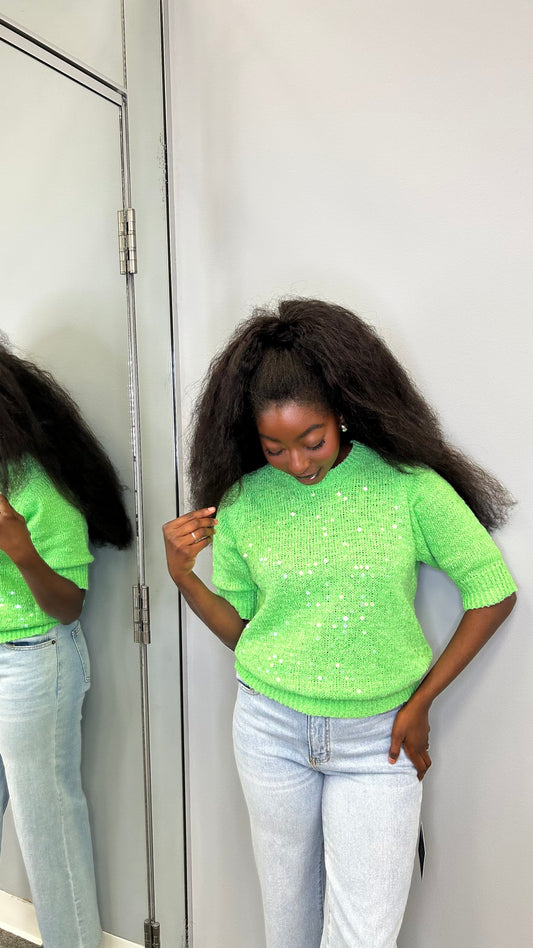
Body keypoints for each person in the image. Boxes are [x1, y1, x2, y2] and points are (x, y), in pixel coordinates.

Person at [163, 298, 516, 948]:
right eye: (274, 447)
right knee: (287, 925)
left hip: (378, 743)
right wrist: (183, 576)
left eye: (312, 440)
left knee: (360, 937)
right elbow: (245, 630)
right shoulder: (242, 500)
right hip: (268, 729)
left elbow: (491, 593)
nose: (297, 463)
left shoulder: (406, 488)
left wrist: (421, 701)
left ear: (342, 412)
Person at [0, 337, 132, 948]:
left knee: (46, 829)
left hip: (34, 663)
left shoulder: (36, 494)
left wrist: (20, 550)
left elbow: (67, 606)